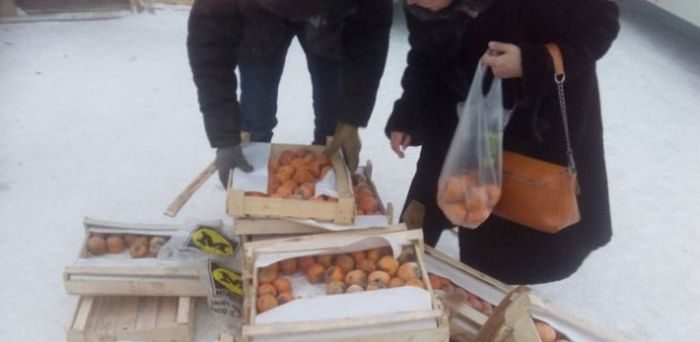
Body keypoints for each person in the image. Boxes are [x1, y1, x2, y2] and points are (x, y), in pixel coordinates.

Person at [387, 0, 620, 284]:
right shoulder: (422, 5)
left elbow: (602, 21)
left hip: (531, 124)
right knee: (429, 204)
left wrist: (533, 61)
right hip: (456, 116)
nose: (411, 3)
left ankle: (487, 290)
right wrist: (409, 112)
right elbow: (425, 53)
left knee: (499, 245)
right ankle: (403, 277)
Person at [187, 0, 393, 186]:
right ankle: (252, 185)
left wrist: (351, 118)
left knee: (332, 124)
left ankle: (327, 185)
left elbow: (372, 31)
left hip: (330, 20)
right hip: (257, 20)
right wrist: (225, 138)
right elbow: (209, 51)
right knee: (256, 117)